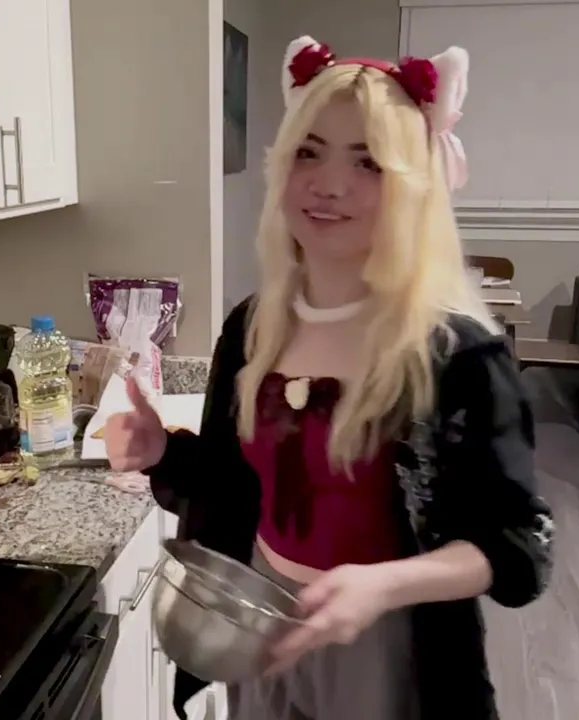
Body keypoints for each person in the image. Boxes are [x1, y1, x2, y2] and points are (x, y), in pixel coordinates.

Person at [104, 35, 554, 720]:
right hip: (259, 620)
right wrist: (161, 449)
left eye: (368, 162)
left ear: (413, 188)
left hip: (387, 647)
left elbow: (520, 549)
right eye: (309, 153)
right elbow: (232, 484)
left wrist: (386, 585)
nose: (329, 184)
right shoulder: (253, 327)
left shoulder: (457, 356)